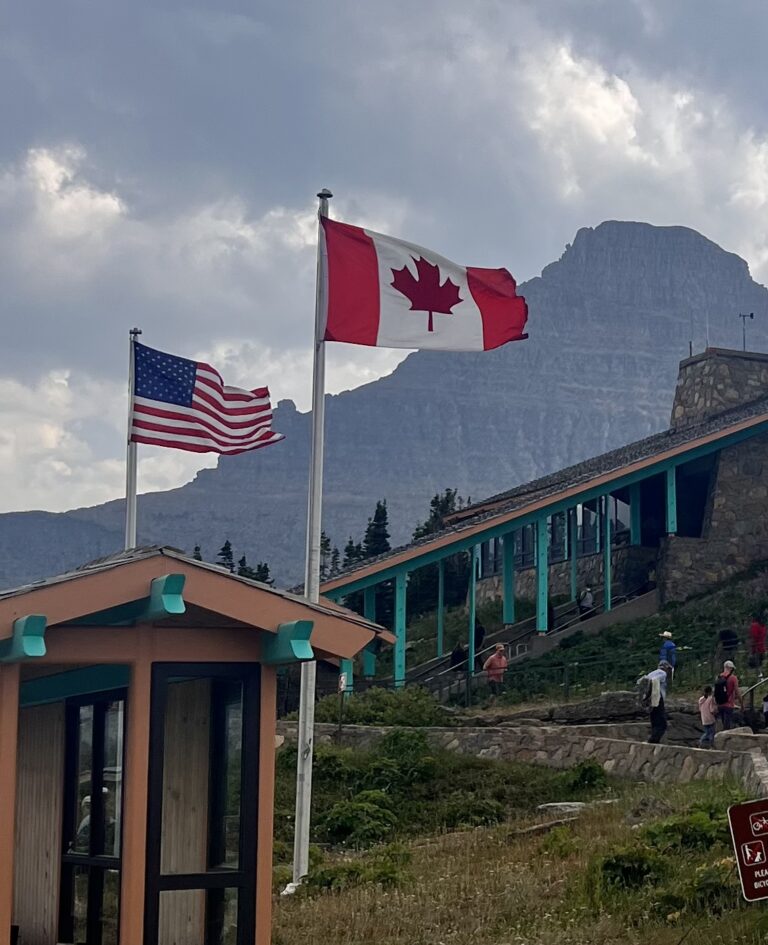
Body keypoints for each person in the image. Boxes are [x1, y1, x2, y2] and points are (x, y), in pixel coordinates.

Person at [640, 660, 672, 744]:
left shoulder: (650, 673)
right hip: (657, 698)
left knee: (654, 720)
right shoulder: (662, 673)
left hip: (649, 700)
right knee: (662, 723)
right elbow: (655, 681)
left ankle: (654, 739)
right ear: (666, 667)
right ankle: (654, 740)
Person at [714, 660, 741, 730]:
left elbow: (715, 691)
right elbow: (737, 692)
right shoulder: (733, 678)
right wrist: (742, 704)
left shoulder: (718, 677)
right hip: (729, 705)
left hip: (720, 704)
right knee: (728, 725)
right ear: (731, 668)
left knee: (723, 723)